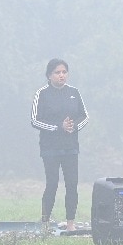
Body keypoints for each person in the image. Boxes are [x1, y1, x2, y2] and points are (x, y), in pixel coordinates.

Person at [30, 58, 89, 231]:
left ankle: (71, 223)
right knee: (52, 183)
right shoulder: (42, 94)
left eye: (64, 72)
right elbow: (35, 120)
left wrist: (74, 127)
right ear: (49, 75)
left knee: (72, 184)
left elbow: (84, 116)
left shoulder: (74, 92)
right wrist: (58, 127)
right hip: (50, 149)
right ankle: (45, 222)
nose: (61, 75)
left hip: (71, 147)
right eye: (57, 72)